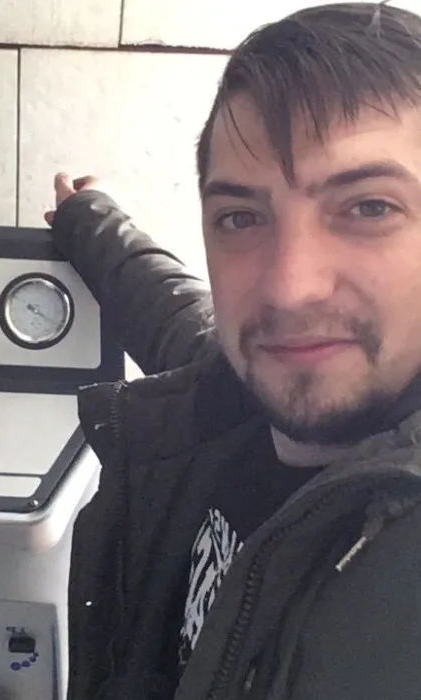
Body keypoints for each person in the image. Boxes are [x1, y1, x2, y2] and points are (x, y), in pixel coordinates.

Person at [45, 3, 421, 699]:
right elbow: (174, 316)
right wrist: (89, 219)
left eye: (369, 207)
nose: (288, 288)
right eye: (241, 217)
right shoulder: (233, 402)